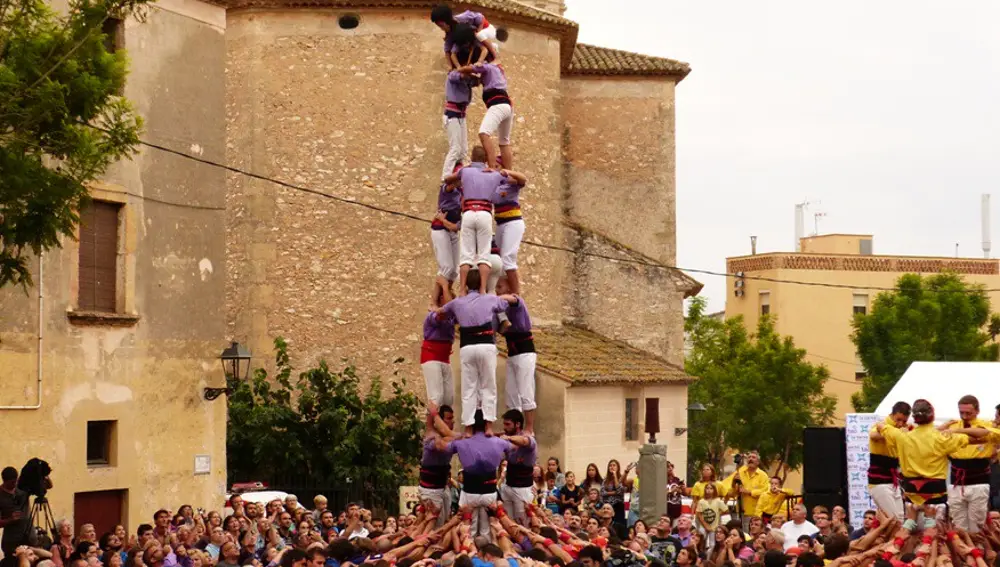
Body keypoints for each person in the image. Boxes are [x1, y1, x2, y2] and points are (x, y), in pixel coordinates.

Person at [433, 270, 519, 435]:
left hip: (467, 346)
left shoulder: (458, 302)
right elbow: (506, 304)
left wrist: (442, 294)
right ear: (482, 283)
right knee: (488, 385)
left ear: (465, 284)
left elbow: (442, 311)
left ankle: (469, 427)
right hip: (486, 344)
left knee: (469, 387)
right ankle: (488, 426)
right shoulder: (489, 299)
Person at [877, 398, 987, 517]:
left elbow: (880, 426)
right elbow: (984, 436)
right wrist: (956, 430)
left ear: (914, 418)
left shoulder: (902, 437)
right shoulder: (941, 438)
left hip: (912, 493)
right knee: (936, 532)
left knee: (914, 532)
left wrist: (895, 426)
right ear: (932, 416)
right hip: (935, 495)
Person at [435, 409, 513, 538]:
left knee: (467, 531)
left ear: (469, 424)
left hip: (470, 493)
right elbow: (513, 447)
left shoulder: (462, 442)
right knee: (487, 531)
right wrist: (501, 437)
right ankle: (487, 553)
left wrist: (455, 435)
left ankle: (469, 552)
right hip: (489, 493)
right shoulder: (498, 442)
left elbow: (440, 446)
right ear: (488, 424)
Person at [442, 147, 504, 295]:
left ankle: (462, 289)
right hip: (484, 212)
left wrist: (466, 169)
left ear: (472, 158)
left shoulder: (466, 171)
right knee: (484, 254)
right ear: (485, 159)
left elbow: (447, 179)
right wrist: (495, 171)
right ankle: (483, 289)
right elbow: (510, 180)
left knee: (466, 255)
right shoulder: (493, 175)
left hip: (468, 213)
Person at [943, 394, 999, 532]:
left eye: (968, 413)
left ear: (977, 411)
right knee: (957, 523)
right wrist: (945, 428)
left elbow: (984, 433)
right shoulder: (951, 424)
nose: (965, 416)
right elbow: (933, 437)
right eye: (961, 412)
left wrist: (957, 431)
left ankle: (978, 550)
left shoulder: (985, 425)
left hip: (978, 480)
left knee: (977, 524)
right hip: (956, 480)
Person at [495, 276, 536, 434]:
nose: (497, 290)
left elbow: (511, 299)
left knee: (526, 390)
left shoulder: (516, 302)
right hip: (512, 354)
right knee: (511, 393)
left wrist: (496, 298)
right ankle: (514, 427)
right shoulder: (502, 310)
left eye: (500, 286)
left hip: (525, 352)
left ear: (509, 289)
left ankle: (529, 428)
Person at [455, 59, 513, 170]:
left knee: (483, 133)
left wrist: (460, 68)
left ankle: (491, 166)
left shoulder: (488, 67)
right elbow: (478, 80)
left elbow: (468, 69)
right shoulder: (497, 71)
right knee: (504, 142)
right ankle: (509, 172)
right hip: (507, 106)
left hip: (498, 105)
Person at [867, 401, 910, 521]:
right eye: (898, 419)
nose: (900, 423)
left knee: (901, 518)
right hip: (879, 480)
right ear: (893, 414)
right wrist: (895, 436)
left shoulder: (903, 429)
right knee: (893, 519)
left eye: (904, 421)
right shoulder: (883, 425)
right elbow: (873, 435)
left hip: (894, 480)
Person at [420, 403, 458, 526]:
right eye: (448, 419)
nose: (452, 422)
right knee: (434, 527)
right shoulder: (431, 436)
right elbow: (440, 445)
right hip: (431, 490)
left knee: (445, 522)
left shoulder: (452, 437)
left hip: (443, 488)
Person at [491, 169, 527, 296]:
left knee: (508, 258)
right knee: (499, 260)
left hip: (513, 222)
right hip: (501, 224)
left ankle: (516, 293)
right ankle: (503, 290)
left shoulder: (510, 182)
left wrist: (507, 172)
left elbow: (523, 179)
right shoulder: (494, 185)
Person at [430, 5, 499, 69]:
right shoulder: (450, 32)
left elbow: (481, 18)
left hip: (486, 29)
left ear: (447, 21)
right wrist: (450, 65)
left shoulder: (463, 18)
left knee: (478, 35)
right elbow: (447, 48)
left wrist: (479, 30)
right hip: (472, 36)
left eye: (441, 26)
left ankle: (496, 56)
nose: (441, 28)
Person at [498, 409, 536, 526]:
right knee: (508, 523)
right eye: (504, 424)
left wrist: (508, 438)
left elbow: (525, 441)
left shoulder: (526, 437)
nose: (505, 428)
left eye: (508, 424)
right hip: (508, 486)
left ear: (517, 424)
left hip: (523, 490)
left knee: (523, 524)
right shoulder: (506, 438)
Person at [430, 175, 462, 308]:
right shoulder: (448, 190)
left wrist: (445, 221)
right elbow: (449, 186)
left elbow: (455, 227)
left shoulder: (463, 196)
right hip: (440, 230)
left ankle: (445, 293)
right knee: (446, 267)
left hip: (451, 231)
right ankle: (433, 302)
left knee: (454, 270)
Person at [421, 286, 456, 407]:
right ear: (442, 298)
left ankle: (444, 424)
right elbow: (442, 314)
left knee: (448, 399)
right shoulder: (433, 315)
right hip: (431, 356)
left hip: (444, 358)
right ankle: (430, 424)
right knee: (436, 397)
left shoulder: (452, 318)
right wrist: (445, 287)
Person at [722, 451, 769, 529]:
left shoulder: (763, 475)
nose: (750, 459)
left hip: (756, 513)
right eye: (749, 457)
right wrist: (734, 483)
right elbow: (733, 493)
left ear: (758, 462)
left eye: (753, 457)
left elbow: (765, 492)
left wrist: (749, 492)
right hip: (741, 511)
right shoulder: (740, 472)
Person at [441, 73, 473, 181]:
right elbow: (458, 76)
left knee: (463, 150)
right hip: (452, 115)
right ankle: (446, 178)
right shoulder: (453, 74)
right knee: (455, 148)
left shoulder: (467, 80)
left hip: (461, 116)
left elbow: (474, 82)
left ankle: (458, 174)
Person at [0, 467, 30, 567]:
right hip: (11, 541)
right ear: (5, 481)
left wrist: (43, 475)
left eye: (16, 481)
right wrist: (10, 519)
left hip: (28, 537)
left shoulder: (21, 489)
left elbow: (48, 486)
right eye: (12, 482)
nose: (14, 484)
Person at [695, 483, 727, 548]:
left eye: (711, 488)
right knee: (702, 541)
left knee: (712, 544)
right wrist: (706, 526)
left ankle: (710, 557)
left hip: (714, 526)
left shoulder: (718, 501)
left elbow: (726, 510)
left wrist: (718, 514)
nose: (709, 490)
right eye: (707, 488)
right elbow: (699, 514)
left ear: (714, 490)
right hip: (703, 526)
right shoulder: (701, 501)